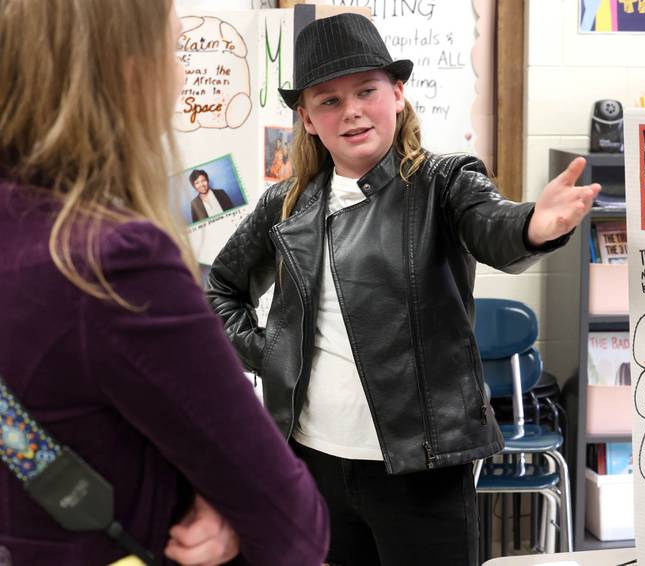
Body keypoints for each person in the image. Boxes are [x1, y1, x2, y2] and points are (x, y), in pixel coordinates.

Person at [207, 12, 599, 566]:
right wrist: (271, 353)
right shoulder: (286, 205)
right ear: (307, 119)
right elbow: (217, 290)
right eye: (328, 100)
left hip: (423, 469)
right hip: (312, 460)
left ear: (396, 93)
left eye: (366, 90)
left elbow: (492, 224)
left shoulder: (444, 182)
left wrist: (533, 225)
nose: (351, 112)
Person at [0, 1, 328, 565]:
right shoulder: (111, 262)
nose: (178, 75)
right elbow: (291, 521)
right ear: (129, 73)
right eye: (170, 51)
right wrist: (227, 506)